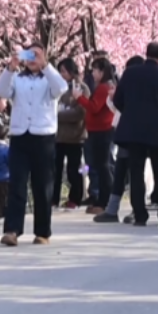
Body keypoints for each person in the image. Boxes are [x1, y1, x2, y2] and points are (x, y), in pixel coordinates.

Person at [0, 43, 68, 246]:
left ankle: (42, 232)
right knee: (17, 184)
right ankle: (12, 230)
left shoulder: (50, 79)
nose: (32, 59)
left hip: (43, 136)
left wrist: (46, 65)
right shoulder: (17, 78)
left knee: (43, 186)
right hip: (20, 135)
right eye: (29, 55)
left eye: (37, 55)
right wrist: (11, 67)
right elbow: (0, 90)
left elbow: (61, 88)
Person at [113, 42, 158, 227]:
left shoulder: (130, 73)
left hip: (133, 130)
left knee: (136, 172)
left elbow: (118, 100)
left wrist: (131, 113)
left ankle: (140, 214)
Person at [95, 55, 145, 224]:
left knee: (135, 174)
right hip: (123, 132)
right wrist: (111, 98)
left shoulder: (136, 87)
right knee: (121, 171)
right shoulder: (127, 85)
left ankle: (135, 209)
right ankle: (113, 209)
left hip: (133, 134)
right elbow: (116, 108)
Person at [77, 57, 116, 216]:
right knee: (100, 166)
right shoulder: (105, 86)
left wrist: (79, 98)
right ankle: (103, 199)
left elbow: (94, 108)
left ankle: (104, 200)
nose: (92, 73)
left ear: (102, 71)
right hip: (99, 130)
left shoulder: (103, 88)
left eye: (95, 70)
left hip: (102, 131)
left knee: (103, 166)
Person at [55, 58, 89, 211]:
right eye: (60, 71)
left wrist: (58, 115)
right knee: (54, 169)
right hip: (57, 136)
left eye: (64, 71)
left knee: (73, 169)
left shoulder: (81, 87)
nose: (61, 74)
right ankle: (53, 199)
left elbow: (80, 112)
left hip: (75, 136)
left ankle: (75, 198)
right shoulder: (56, 87)